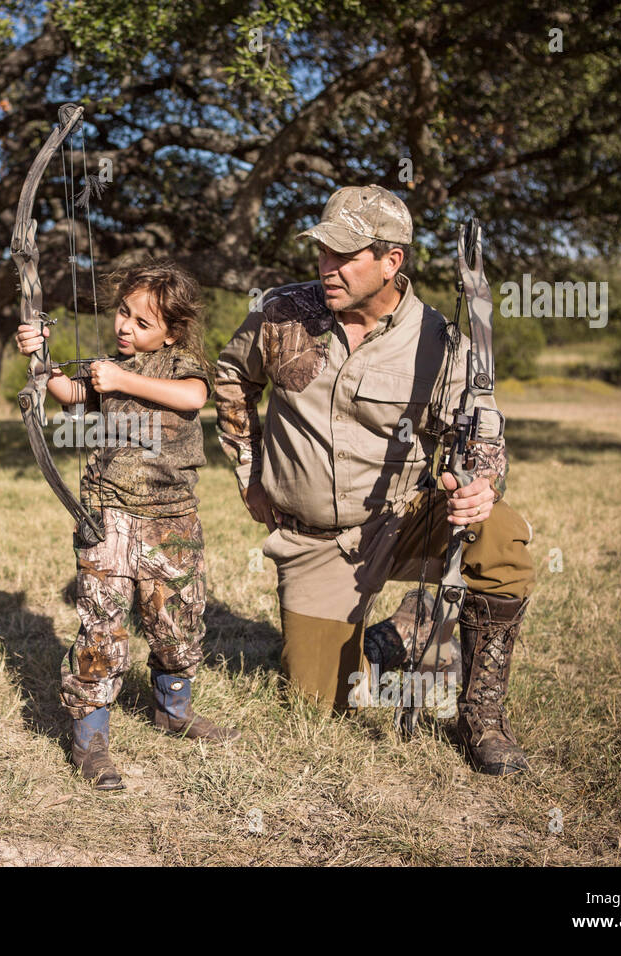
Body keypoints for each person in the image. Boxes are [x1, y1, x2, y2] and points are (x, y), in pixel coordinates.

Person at [214, 185, 537, 775]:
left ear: (392, 262)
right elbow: (232, 377)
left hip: (405, 517)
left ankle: (481, 718)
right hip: (316, 539)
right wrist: (249, 471)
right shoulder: (281, 312)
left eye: (345, 255)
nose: (327, 268)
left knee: (501, 535)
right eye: (323, 253)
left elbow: (485, 425)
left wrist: (481, 481)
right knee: (315, 704)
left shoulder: (440, 341)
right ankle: (393, 640)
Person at [15, 259, 239, 791]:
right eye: (122, 313)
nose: (125, 327)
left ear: (171, 330)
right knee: (102, 628)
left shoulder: (181, 365)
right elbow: (70, 395)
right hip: (107, 516)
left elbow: (193, 397)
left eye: (142, 322)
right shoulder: (106, 367)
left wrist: (121, 377)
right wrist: (40, 358)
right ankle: (90, 738)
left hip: (170, 520)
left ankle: (173, 710)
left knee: (176, 625)